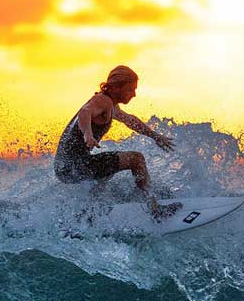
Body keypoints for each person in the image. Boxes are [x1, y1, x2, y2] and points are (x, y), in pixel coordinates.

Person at [53, 65, 182, 220]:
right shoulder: (102, 101)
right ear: (115, 87)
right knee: (136, 159)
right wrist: (88, 133)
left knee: (108, 169)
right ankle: (155, 209)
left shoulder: (110, 105)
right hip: (74, 165)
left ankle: (87, 214)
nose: (134, 94)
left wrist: (155, 136)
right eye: (130, 89)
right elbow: (85, 112)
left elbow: (131, 121)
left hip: (65, 167)